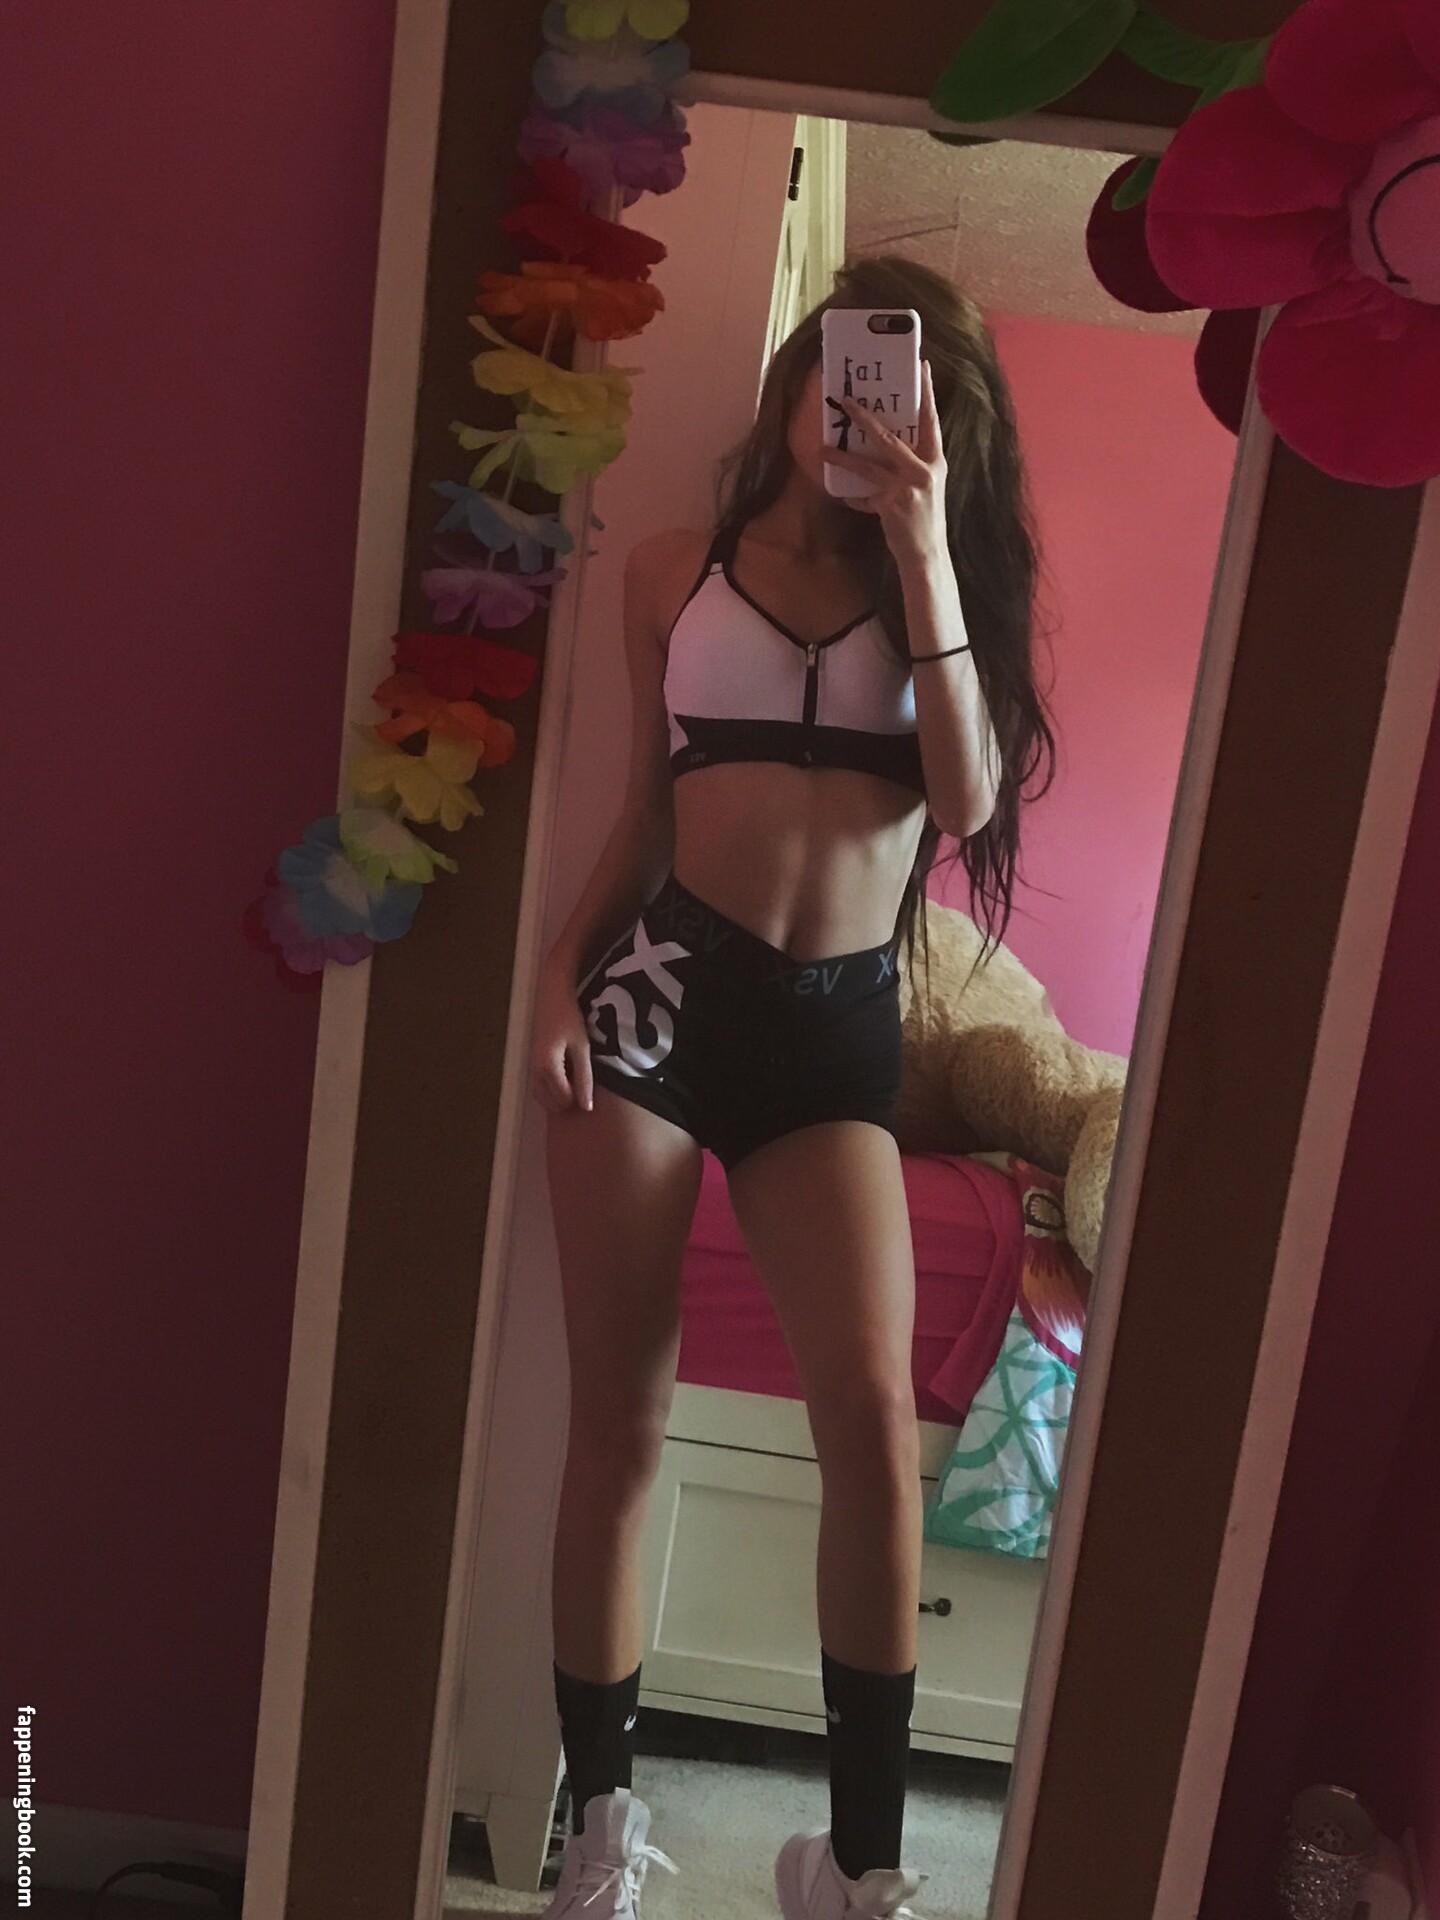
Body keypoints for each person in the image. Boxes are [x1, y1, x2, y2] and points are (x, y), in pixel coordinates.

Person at [529, 254, 1054, 1920]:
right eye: (844, 372)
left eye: (904, 391)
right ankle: (598, 1837)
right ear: (796, 377)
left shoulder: (945, 600)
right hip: (657, 1004)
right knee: (617, 1421)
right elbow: (646, 812)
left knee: (877, 1438)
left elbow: (964, 805)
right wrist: (554, 974)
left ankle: (862, 1866)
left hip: (833, 1039)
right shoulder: (672, 571)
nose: (861, 408)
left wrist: (925, 542)